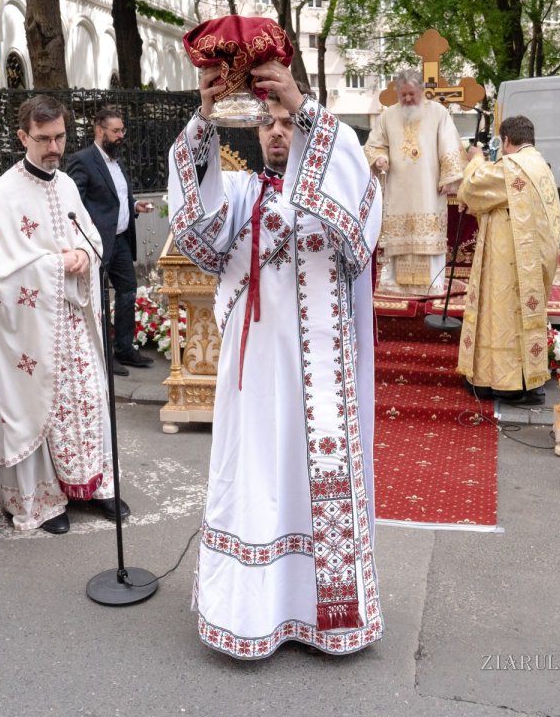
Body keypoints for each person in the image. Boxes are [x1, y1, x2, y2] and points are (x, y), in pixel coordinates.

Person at [168, 62, 383, 659]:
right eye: (267, 122)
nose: (277, 132)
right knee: (256, 481)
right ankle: (251, 614)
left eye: (288, 122)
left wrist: (305, 104)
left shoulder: (331, 190)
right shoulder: (239, 195)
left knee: (310, 484)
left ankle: (326, 616)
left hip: (321, 384)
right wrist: (204, 122)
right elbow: (196, 225)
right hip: (254, 381)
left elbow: (360, 212)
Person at [0, 95, 128, 534]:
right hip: (32, 328)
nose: (54, 147)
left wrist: (84, 253)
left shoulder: (65, 184)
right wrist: (54, 265)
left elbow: (89, 237)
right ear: (23, 136)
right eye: (43, 139)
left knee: (88, 399)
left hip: (72, 316)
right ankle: (46, 499)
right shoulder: (4, 193)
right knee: (46, 404)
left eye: (60, 136)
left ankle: (96, 486)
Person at [455, 115, 560, 405]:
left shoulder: (514, 168)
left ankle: (507, 383)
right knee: (519, 321)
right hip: (532, 258)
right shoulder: (540, 166)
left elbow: (474, 188)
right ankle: (522, 380)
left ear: (505, 141)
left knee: (503, 317)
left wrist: (475, 158)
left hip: (511, 262)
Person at [66, 107, 155, 377]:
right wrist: (89, 231)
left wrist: (134, 205)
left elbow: (116, 197)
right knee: (99, 298)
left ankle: (124, 348)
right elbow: (75, 201)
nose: (121, 136)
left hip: (121, 240)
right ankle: (103, 354)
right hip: (98, 243)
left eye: (122, 131)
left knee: (128, 291)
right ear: (100, 130)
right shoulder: (83, 160)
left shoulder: (116, 161)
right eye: (116, 131)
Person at [363, 68, 464, 295]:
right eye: (403, 94)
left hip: (428, 189)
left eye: (412, 94)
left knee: (427, 235)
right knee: (399, 233)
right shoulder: (387, 116)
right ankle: (396, 285)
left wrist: (449, 177)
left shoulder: (438, 113)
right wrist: (380, 158)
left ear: (422, 91)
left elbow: (449, 145)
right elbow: (375, 145)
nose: (408, 99)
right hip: (398, 190)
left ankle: (430, 285)